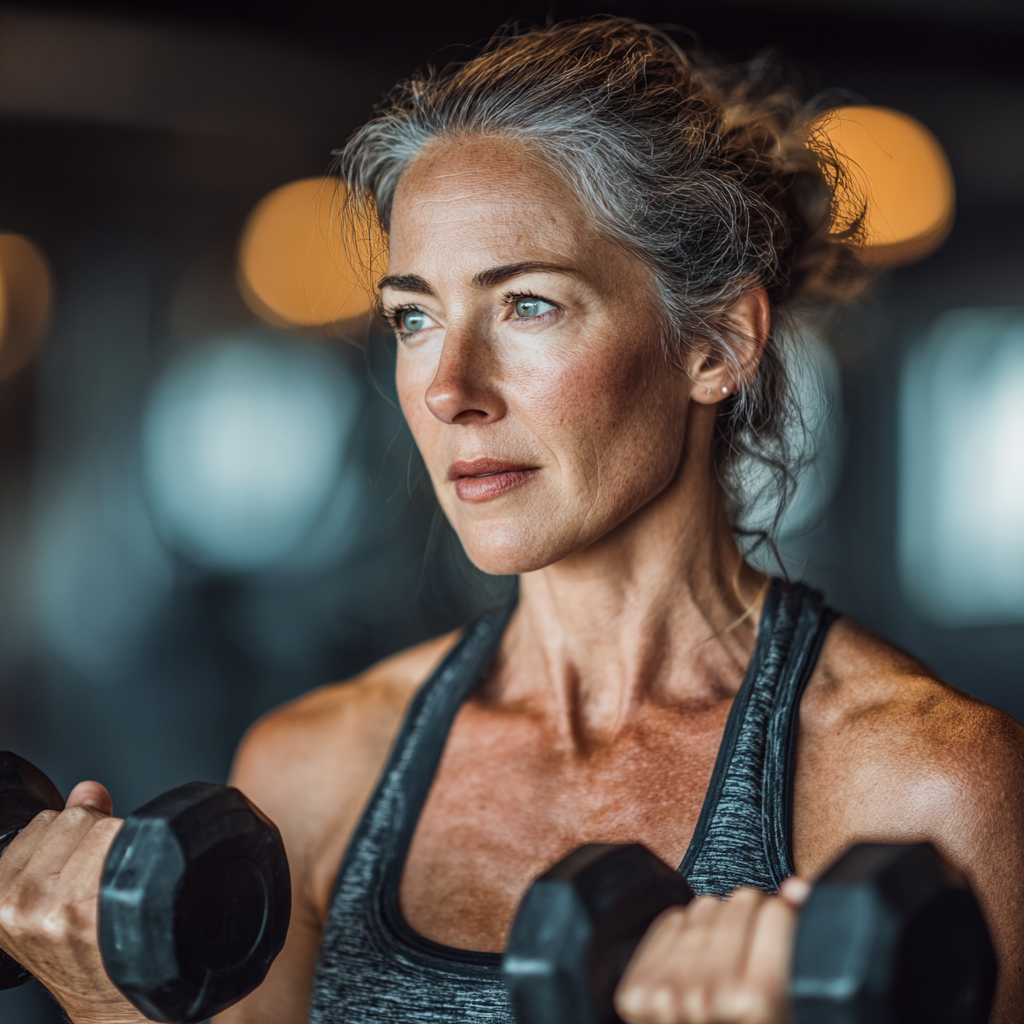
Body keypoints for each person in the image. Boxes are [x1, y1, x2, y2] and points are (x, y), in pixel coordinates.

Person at [1, 17, 1022, 1024]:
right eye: (414, 317)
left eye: (526, 304)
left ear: (715, 342)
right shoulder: (316, 768)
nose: (449, 389)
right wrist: (101, 999)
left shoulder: (920, 785)